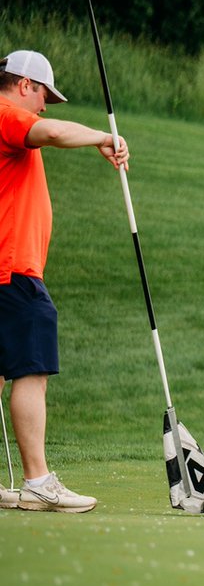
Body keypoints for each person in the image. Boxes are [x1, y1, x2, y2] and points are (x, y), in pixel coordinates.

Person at [1, 50, 130, 513]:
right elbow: (52, 133)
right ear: (23, 85)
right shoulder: (7, 115)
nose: (44, 108)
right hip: (14, 271)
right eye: (43, 97)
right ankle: (37, 480)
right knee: (32, 372)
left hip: (8, 268)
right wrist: (104, 136)